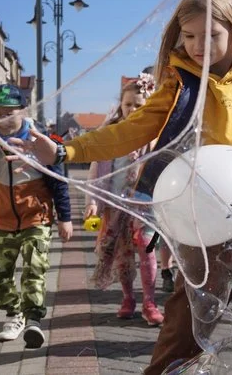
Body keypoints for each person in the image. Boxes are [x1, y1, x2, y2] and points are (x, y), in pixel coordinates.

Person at [9, 0, 232, 374]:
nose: (199, 46)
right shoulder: (178, 86)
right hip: (205, 225)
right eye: (189, 36)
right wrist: (65, 151)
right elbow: (128, 131)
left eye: (211, 35)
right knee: (183, 330)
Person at [0, 83, 73, 348]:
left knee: (34, 267)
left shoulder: (40, 137)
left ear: (23, 111)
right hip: (5, 219)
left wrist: (65, 217)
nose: (1, 120)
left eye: (8, 114)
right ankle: (16, 314)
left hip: (37, 216)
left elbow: (59, 180)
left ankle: (33, 320)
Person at [83, 75, 164, 326]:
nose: (132, 109)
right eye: (128, 104)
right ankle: (128, 297)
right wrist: (93, 201)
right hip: (117, 207)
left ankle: (150, 302)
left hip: (147, 207)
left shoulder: (156, 133)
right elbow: (97, 171)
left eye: (139, 105)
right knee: (122, 255)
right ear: (121, 104)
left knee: (148, 249)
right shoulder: (111, 133)